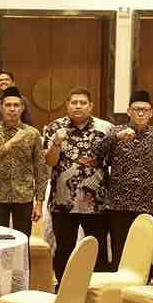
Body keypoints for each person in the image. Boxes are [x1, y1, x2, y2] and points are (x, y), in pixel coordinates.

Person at [43, 87, 113, 284]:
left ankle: (97, 289)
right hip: (63, 201)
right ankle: (63, 288)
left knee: (97, 248)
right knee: (64, 248)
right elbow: (49, 162)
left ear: (90, 106)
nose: (78, 106)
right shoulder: (55, 127)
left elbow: (113, 161)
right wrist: (56, 143)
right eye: (74, 102)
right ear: (67, 105)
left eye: (83, 103)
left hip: (96, 202)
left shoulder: (105, 129)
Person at [94, 90, 153, 266]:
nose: (140, 113)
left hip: (147, 202)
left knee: (144, 250)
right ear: (128, 111)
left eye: (145, 110)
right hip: (119, 202)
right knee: (120, 249)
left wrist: (150, 183)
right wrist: (115, 138)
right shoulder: (116, 132)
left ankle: (142, 280)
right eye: (136, 109)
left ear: (151, 113)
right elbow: (97, 153)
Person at [0, 87, 48, 237]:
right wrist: (10, 143)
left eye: (16, 105)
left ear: (22, 108)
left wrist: (39, 202)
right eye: (8, 105)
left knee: (23, 241)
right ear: (1, 107)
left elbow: (40, 169)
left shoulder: (32, 133)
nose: (12, 109)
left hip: (24, 196)